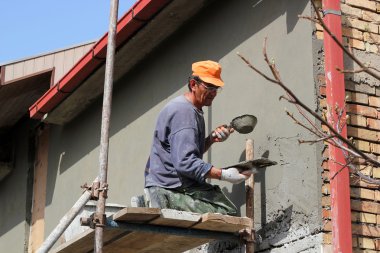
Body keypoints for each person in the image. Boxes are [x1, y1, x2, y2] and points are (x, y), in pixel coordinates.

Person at [144, 60, 252, 216]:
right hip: (169, 188)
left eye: (216, 88)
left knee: (219, 200)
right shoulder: (184, 113)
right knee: (226, 212)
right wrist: (224, 174)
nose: (213, 93)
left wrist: (210, 139)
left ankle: (155, 197)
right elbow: (185, 162)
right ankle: (155, 200)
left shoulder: (191, 109)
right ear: (194, 84)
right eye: (209, 87)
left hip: (171, 183)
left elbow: (184, 153)